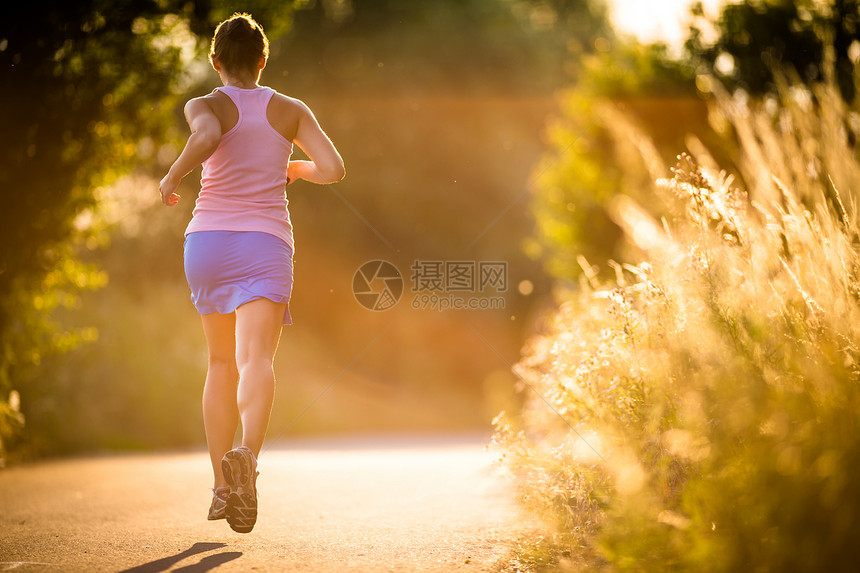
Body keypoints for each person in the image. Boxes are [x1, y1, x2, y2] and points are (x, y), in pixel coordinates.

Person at [158, 12, 345, 534]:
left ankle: (221, 486)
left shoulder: (205, 104)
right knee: (256, 357)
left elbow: (207, 135)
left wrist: (172, 177)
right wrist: (296, 169)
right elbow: (332, 169)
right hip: (265, 242)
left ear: (216, 62)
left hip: (209, 241)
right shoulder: (289, 109)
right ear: (263, 61)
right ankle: (246, 456)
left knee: (220, 363)